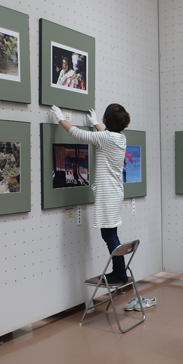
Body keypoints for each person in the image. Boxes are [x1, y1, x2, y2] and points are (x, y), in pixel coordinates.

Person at [50, 103, 130, 284]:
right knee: (111, 234)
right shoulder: (120, 138)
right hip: (115, 192)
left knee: (109, 236)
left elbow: (77, 133)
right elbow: (105, 136)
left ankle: (120, 274)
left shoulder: (106, 138)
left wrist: (61, 118)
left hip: (108, 194)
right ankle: (119, 271)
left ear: (106, 119)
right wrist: (95, 123)